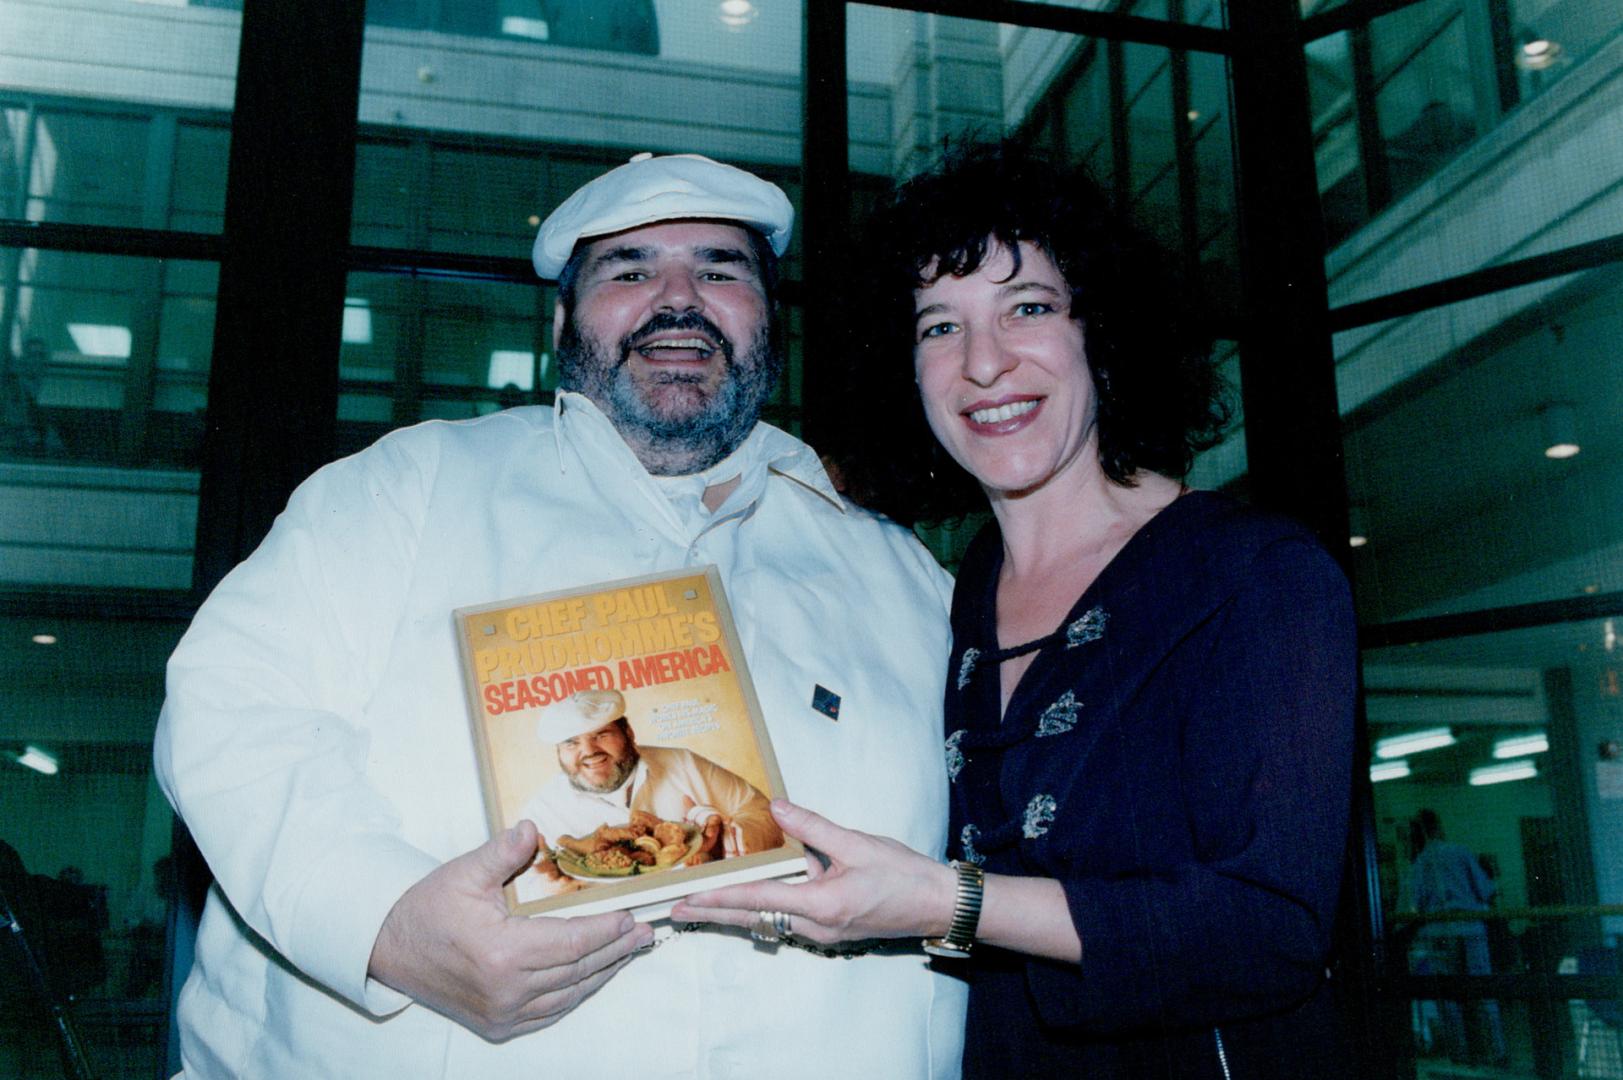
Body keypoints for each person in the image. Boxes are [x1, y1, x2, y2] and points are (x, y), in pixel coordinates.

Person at [154, 152, 966, 1077]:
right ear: (559, 323)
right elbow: (232, 705)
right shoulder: (412, 487)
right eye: (628, 271)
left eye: (718, 269)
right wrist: (381, 923)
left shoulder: (894, 571)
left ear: (766, 323)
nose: (678, 298)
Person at [674, 142, 1358, 1078]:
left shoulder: (1252, 574)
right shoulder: (950, 592)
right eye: (938, 328)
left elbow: (1271, 926)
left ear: (1103, 335)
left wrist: (948, 903)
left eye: (1026, 308)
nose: (983, 365)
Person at [514, 688, 783, 901]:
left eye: (601, 734)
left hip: (710, 904)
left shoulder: (683, 763)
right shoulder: (541, 810)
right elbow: (519, 893)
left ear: (628, 733)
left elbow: (763, 811)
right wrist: (545, 892)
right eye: (571, 742)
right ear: (559, 753)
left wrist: (730, 837)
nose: (589, 751)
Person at [1410, 808, 1507, 1065]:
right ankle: (1496, 1051)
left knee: (1448, 995)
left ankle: (1459, 1054)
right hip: (1471, 929)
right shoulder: (1460, 852)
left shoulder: (1420, 862)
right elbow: (1486, 890)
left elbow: (1415, 904)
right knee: (1482, 988)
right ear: (1439, 827)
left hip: (1438, 932)